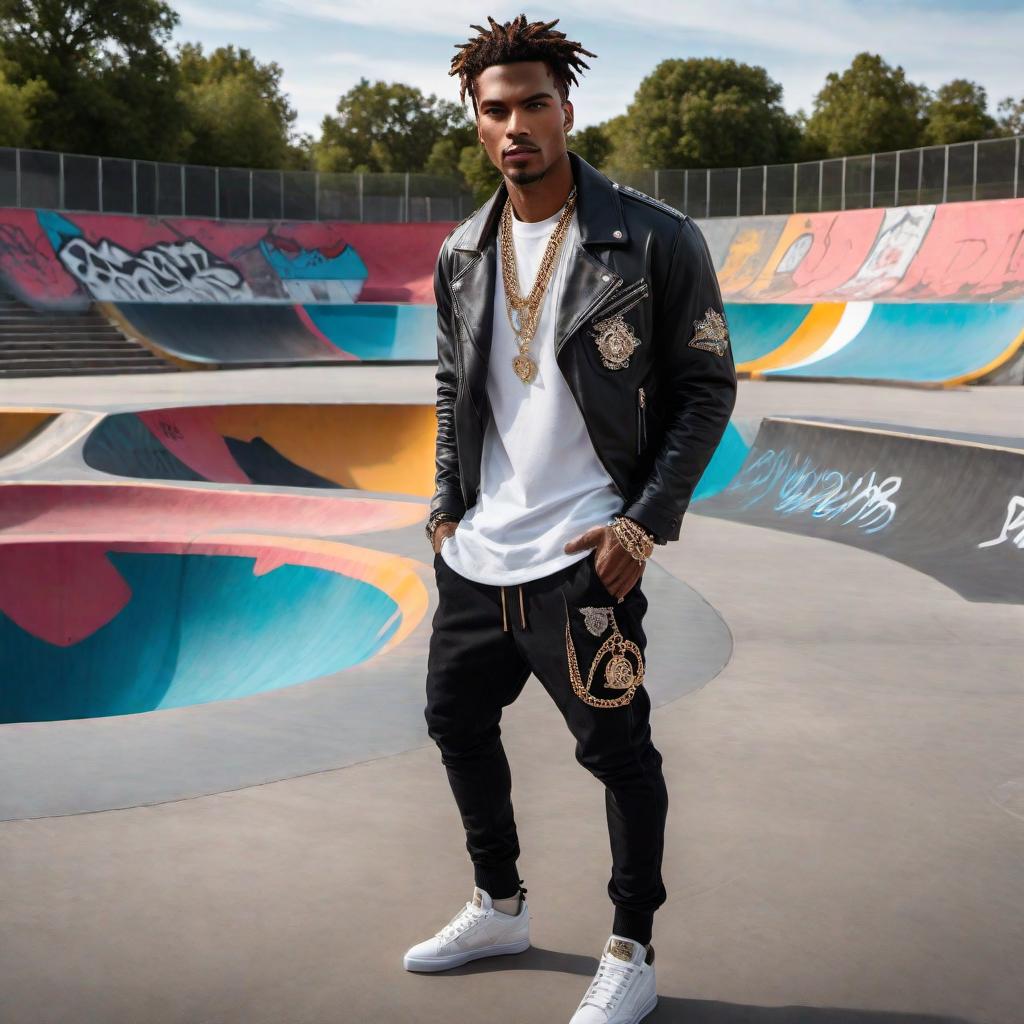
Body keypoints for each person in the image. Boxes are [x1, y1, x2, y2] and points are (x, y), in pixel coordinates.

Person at [402, 14, 737, 1023]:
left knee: (617, 751)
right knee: (454, 719)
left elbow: (706, 388)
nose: (515, 127)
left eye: (533, 105)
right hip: (479, 557)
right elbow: (451, 386)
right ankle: (497, 902)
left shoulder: (651, 239)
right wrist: (444, 507)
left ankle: (631, 946)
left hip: (586, 558)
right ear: (476, 123)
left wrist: (642, 524)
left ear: (566, 109)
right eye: (495, 110)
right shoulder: (463, 251)